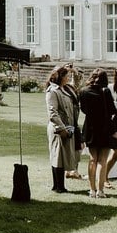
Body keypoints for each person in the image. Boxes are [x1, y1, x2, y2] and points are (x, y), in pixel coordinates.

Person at [79, 68, 117, 198]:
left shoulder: (83, 91)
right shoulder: (105, 91)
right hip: (104, 127)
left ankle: (92, 189)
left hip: (90, 127)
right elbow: (112, 110)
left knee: (92, 159)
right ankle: (100, 190)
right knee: (102, 160)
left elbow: (83, 109)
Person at [45, 64, 80, 193]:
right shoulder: (53, 91)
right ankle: (58, 186)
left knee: (62, 156)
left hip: (68, 127)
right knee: (57, 156)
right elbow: (52, 112)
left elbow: (77, 83)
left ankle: (60, 185)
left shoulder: (66, 89)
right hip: (58, 129)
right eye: (66, 76)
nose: (68, 78)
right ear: (61, 77)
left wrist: (73, 70)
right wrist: (61, 128)